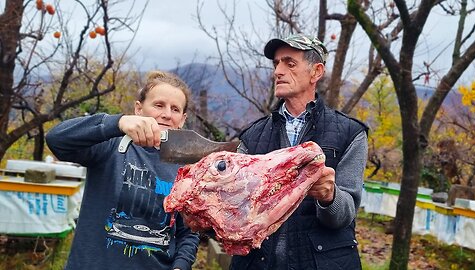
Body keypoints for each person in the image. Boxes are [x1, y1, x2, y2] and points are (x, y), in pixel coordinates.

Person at [230, 34, 368, 269]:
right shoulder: (252, 137)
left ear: (316, 72)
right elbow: (238, 211)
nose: (278, 72)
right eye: (276, 64)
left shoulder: (350, 133)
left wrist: (329, 197)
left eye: (289, 63)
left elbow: (346, 213)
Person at [46, 71, 200, 270]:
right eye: (158, 105)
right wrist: (116, 122)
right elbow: (56, 140)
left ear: (182, 119)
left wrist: (181, 265)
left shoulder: (187, 169)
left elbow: (188, 232)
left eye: (175, 109)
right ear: (138, 109)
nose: (167, 114)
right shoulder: (111, 147)